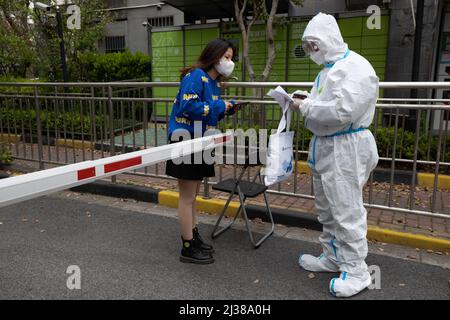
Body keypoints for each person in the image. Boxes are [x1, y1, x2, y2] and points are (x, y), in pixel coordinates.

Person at [290, 12, 379, 297]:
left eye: (314, 45)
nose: (311, 52)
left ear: (329, 38)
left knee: (346, 210)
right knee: (327, 209)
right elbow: (325, 104)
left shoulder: (356, 67)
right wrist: (307, 100)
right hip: (327, 146)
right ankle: (332, 257)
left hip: (346, 148)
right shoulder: (328, 70)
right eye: (308, 47)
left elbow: (343, 111)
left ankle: (356, 271)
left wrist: (305, 108)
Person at [165, 39, 237, 264]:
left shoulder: (214, 83)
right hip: (184, 139)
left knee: (193, 196)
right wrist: (219, 106)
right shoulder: (196, 76)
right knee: (187, 197)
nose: (230, 62)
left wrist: (227, 109)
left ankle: (194, 237)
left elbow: (208, 113)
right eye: (226, 57)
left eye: (231, 57)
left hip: (200, 140)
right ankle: (187, 247)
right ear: (214, 56)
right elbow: (189, 108)